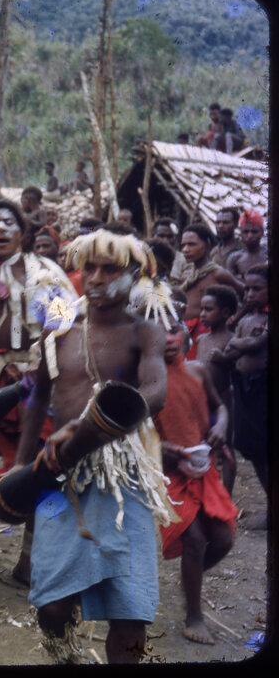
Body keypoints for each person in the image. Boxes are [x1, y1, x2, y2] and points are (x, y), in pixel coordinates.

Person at [14, 229, 174, 664]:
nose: (97, 278)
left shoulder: (145, 332)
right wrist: (22, 467)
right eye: (90, 267)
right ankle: (68, 658)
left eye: (111, 269)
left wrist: (89, 425)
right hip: (58, 474)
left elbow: (154, 392)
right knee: (51, 606)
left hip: (126, 477)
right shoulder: (60, 325)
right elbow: (36, 397)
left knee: (129, 612)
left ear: (135, 275)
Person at [0, 198, 75, 575]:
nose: (1, 229)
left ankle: (27, 557)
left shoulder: (50, 276)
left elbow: (66, 325)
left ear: (23, 233)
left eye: (9, 222)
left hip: (40, 381)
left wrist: (42, 370)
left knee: (38, 469)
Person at [155, 319, 237, 645]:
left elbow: (220, 407)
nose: (168, 339)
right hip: (167, 470)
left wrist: (221, 428)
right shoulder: (147, 380)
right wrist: (165, 449)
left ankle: (190, 581)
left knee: (224, 539)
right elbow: (135, 432)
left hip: (203, 466)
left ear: (188, 336)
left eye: (174, 331)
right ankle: (194, 614)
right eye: (158, 334)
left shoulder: (199, 371)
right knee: (194, 539)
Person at [217, 264, 268, 529]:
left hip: (264, 390)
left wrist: (237, 342)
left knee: (268, 450)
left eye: (256, 289)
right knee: (252, 448)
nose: (248, 294)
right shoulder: (249, 320)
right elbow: (231, 349)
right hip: (244, 387)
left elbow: (253, 345)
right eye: (246, 288)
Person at [194, 285, 239, 491]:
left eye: (208, 309)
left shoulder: (231, 340)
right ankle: (210, 492)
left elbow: (236, 368)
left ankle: (227, 496)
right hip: (202, 400)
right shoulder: (202, 339)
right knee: (206, 444)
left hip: (223, 399)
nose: (202, 314)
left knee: (225, 448)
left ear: (226, 313)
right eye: (201, 309)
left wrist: (225, 359)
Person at [177, 223, 243, 357]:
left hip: (206, 331)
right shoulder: (186, 276)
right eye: (183, 245)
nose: (185, 249)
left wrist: (235, 318)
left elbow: (245, 293)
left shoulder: (217, 274)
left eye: (191, 244)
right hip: (185, 331)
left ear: (207, 246)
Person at [225, 209, 267, 282]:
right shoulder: (234, 258)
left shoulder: (269, 255)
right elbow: (230, 283)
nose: (250, 236)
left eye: (254, 232)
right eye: (246, 232)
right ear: (241, 233)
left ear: (262, 233)